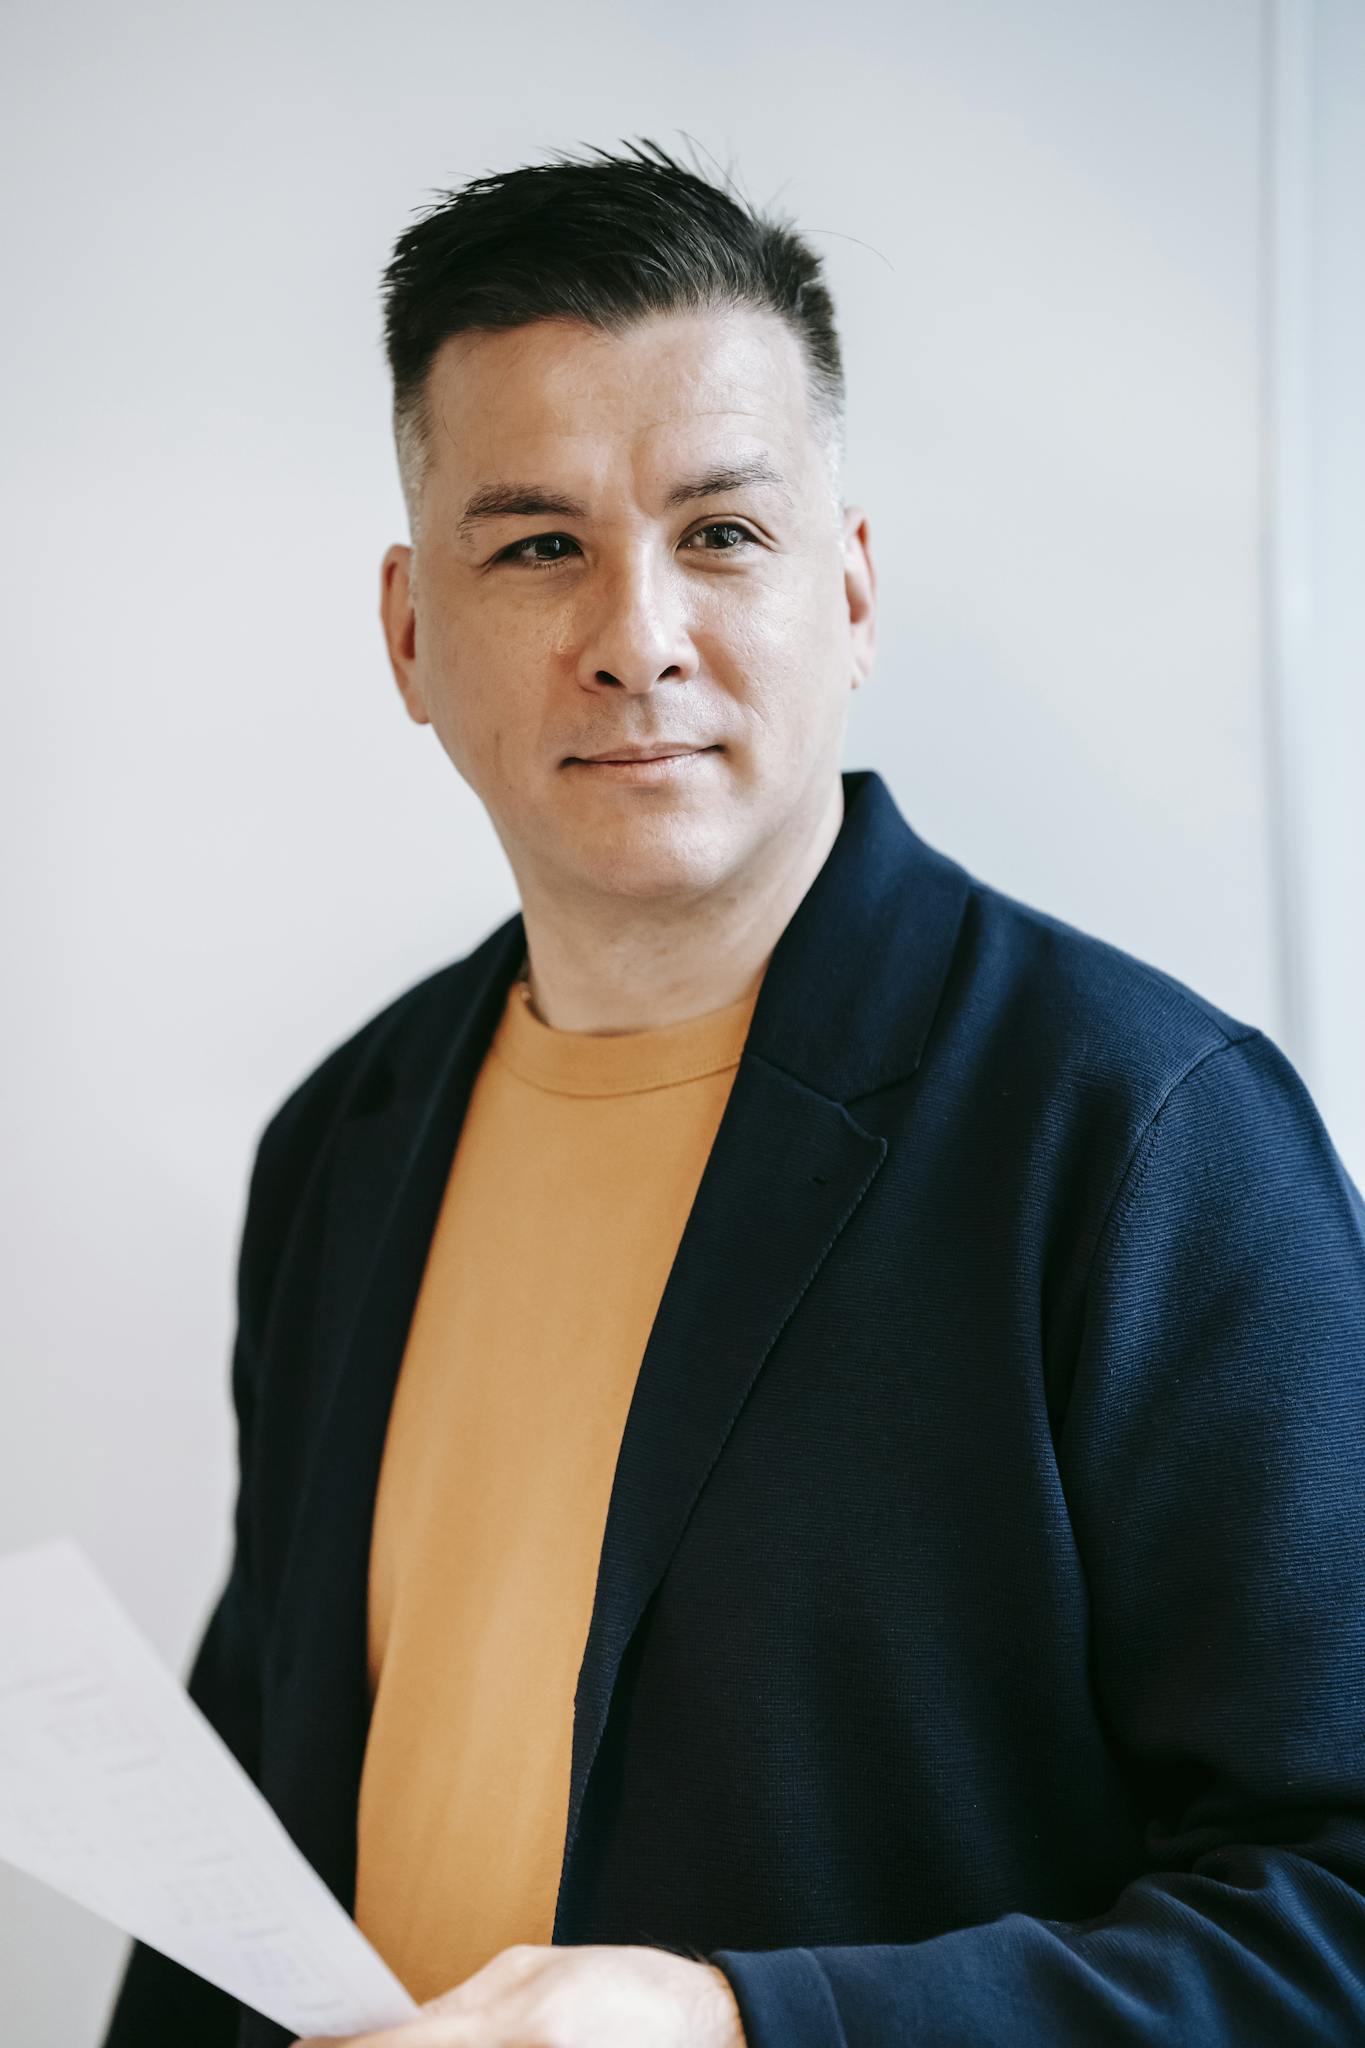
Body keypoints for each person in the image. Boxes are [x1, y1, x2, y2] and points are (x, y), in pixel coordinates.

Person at [101, 139, 1365, 2048]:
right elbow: (259, 1835)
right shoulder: (344, 1144)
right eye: (537, 546)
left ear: (845, 593)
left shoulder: (1137, 1133)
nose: (635, 637)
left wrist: (733, 2026)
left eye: (719, 533)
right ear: (410, 635)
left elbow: (1334, 1910)